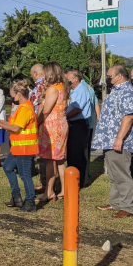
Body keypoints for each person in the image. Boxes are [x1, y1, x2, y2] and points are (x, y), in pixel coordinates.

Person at [92, 65, 133, 218]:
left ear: (120, 76)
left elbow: (129, 116)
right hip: (108, 141)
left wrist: (119, 138)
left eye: (109, 77)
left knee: (122, 175)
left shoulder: (127, 92)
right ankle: (116, 203)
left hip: (120, 142)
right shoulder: (116, 91)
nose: (107, 79)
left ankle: (127, 207)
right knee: (114, 175)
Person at [0, 79, 39, 212]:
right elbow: (15, 125)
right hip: (19, 147)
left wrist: (1, 125)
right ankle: (16, 196)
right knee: (8, 167)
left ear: (19, 94)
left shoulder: (25, 109)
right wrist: (3, 122)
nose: (13, 98)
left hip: (25, 148)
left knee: (25, 175)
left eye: (13, 95)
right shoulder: (22, 108)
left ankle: (30, 202)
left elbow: (15, 128)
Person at [37, 62, 70, 202]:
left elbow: (46, 111)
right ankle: (65, 189)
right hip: (61, 124)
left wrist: (37, 122)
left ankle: (49, 191)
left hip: (52, 126)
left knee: (50, 160)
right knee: (60, 160)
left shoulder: (52, 89)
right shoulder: (63, 87)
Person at [66, 70, 91, 189]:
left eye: (68, 78)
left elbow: (77, 109)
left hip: (78, 124)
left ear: (76, 79)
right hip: (72, 124)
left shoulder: (82, 90)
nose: (67, 80)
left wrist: (64, 117)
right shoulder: (72, 91)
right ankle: (72, 178)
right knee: (72, 153)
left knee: (79, 154)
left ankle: (79, 182)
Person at [29, 64, 47, 194]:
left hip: (41, 123)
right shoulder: (47, 84)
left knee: (43, 156)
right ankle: (45, 183)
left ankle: (45, 184)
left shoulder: (40, 87)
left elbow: (40, 107)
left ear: (35, 74)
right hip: (43, 123)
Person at [79, 73, 100, 175]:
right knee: (87, 150)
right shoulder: (90, 88)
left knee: (80, 151)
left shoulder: (80, 89)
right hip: (90, 123)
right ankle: (87, 172)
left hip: (81, 123)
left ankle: (82, 174)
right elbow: (96, 104)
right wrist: (99, 118)